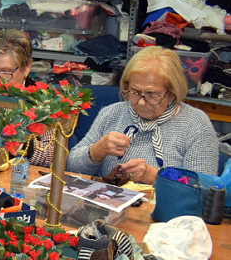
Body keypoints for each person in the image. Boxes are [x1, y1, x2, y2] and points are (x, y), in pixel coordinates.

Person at [67, 46, 218, 183]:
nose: (140, 102)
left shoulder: (196, 124)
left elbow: (203, 187)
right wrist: (97, 151)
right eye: (134, 91)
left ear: (172, 93)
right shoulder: (112, 113)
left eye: (152, 95)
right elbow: (70, 167)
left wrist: (155, 176)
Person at [0, 29, 55, 168]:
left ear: (26, 67)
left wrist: (19, 142)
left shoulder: (44, 102)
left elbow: (52, 154)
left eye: (5, 72)